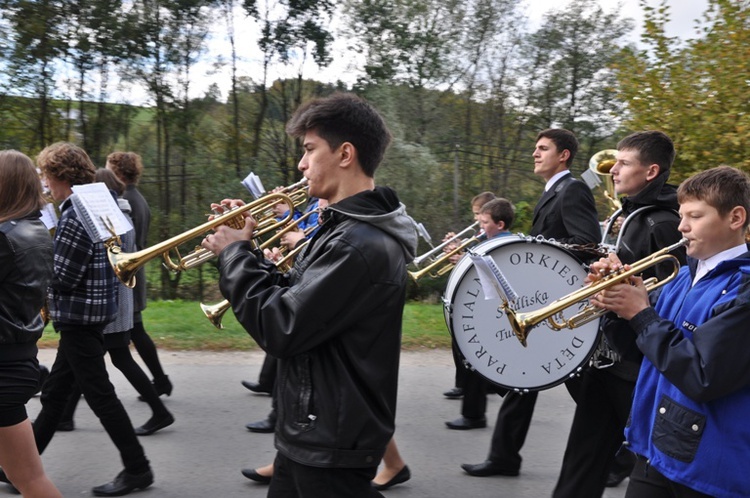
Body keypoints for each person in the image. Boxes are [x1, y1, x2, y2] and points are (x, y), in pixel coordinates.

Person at [202, 92, 418, 497]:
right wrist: (247, 252)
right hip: (312, 427)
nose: (301, 164)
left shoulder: (358, 243)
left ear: (345, 154)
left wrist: (233, 255)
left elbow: (282, 327)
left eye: (309, 149)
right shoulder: (342, 228)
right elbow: (301, 300)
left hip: (331, 438)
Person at [588, 165, 750, 498]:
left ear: (735, 218)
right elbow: (641, 350)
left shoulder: (742, 288)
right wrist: (618, 303)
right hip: (652, 448)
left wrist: (641, 313)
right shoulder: (680, 277)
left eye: (695, 216)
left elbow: (703, 376)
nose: (681, 226)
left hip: (707, 467)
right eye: (681, 215)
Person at [552, 130, 685, 498]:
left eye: (625, 163)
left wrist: (625, 296)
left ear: (651, 171)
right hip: (609, 354)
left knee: (655, 464)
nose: (614, 169)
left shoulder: (663, 222)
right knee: (581, 457)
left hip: (637, 364)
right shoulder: (627, 215)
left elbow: (674, 295)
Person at [462, 128, 601, 477]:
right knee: (525, 377)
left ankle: (621, 451)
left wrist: (537, 250)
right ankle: (504, 457)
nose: (535, 154)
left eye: (543, 149)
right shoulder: (554, 191)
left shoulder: (573, 189)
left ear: (564, 155)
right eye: (536, 148)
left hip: (562, 300)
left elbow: (588, 243)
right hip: (548, 298)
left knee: (580, 385)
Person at [30, 142, 154, 496]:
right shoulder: (97, 203)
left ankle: (138, 469)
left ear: (58, 175)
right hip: (95, 312)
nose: (44, 183)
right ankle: (23, 467)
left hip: (80, 316)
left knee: (100, 396)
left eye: (46, 175)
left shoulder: (72, 212)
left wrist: (37, 267)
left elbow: (64, 277)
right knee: (55, 394)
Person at [57, 169, 175, 436]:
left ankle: (159, 411)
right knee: (81, 359)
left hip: (110, 299)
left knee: (116, 357)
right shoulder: (120, 214)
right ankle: (64, 415)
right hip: (115, 298)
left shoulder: (114, 217)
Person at [0, 150, 63, 497]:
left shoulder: (5, 238)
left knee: (30, 480)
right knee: (31, 479)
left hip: (4, 367)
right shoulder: (36, 228)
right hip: (17, 361)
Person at [106, 151, 172, 398]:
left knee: (132, 332)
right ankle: (161, 380)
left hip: (129, 272)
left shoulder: (127, 200)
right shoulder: (136, 197)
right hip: (135, 271)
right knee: (135, 331)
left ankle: (160, 381)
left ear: (118, 172)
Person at [445, 197, 515, 430]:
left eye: (485, 222)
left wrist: (462, 260)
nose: (480, 226)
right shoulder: (489, 241)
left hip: (491, 312)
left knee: (475, 360)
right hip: (487, 311)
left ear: (500, 224)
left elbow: (490, 277)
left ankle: (474, 415)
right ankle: (477, 409)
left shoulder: (502, 244)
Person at [442, 191, 496, 401]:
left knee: (470, 343)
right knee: (458, 341)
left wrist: (462, 257)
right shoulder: (480, 234)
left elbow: (485, 260)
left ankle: (475, 388)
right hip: (469, 292)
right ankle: (463, 384)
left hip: (482, 297)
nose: (475, 220)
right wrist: (454, 248)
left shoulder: (492, 234)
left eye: (478, 215)